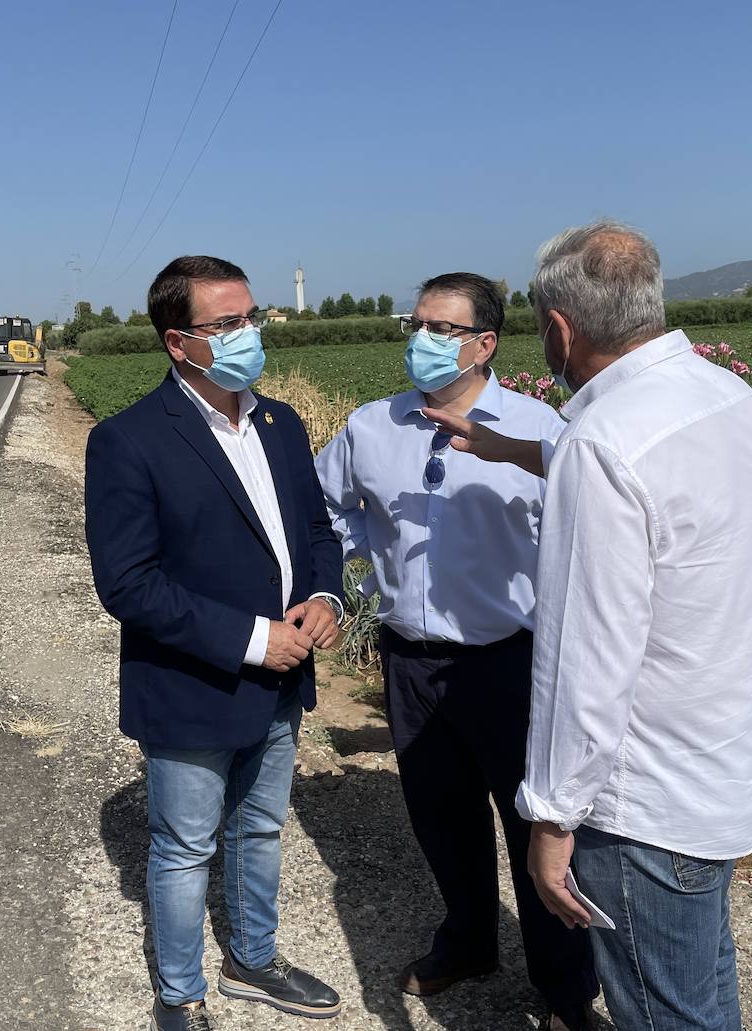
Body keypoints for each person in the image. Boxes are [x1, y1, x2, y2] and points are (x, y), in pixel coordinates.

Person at [425, 221, 752, 1031]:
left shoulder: (602, 442)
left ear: (560, 329)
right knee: (698, 985)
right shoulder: (725, 395)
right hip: (731, 764)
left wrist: (550, 820)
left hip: (645, 804)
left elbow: (585, 660)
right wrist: (513, 448)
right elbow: (650, 484)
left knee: (663, 1013)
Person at [315, 273, 600, 1030]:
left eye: (443, 328)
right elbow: (327, 506)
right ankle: (469, 940)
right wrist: (357, 569)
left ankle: (564, 989)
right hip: (411, 661)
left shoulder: (542, 430)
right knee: (442, 818)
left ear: (485, 343)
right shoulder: (371, 427)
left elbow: (592, 531)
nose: (424, 340)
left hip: (512, 661)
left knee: (535, 827)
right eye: (417, 324)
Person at [84, 255, 346, 1031]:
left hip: (282, 675)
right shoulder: (129, 441)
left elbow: (315, 531)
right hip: (193, 684)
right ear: (178, 342)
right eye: (226, 324)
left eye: (251, 317)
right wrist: (251, 638)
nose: (248, 334)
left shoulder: (281, 422)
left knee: (261, 829)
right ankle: (179, 995)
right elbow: (128, 583)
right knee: (184, 848)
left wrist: (327, 597)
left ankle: (253, 960)